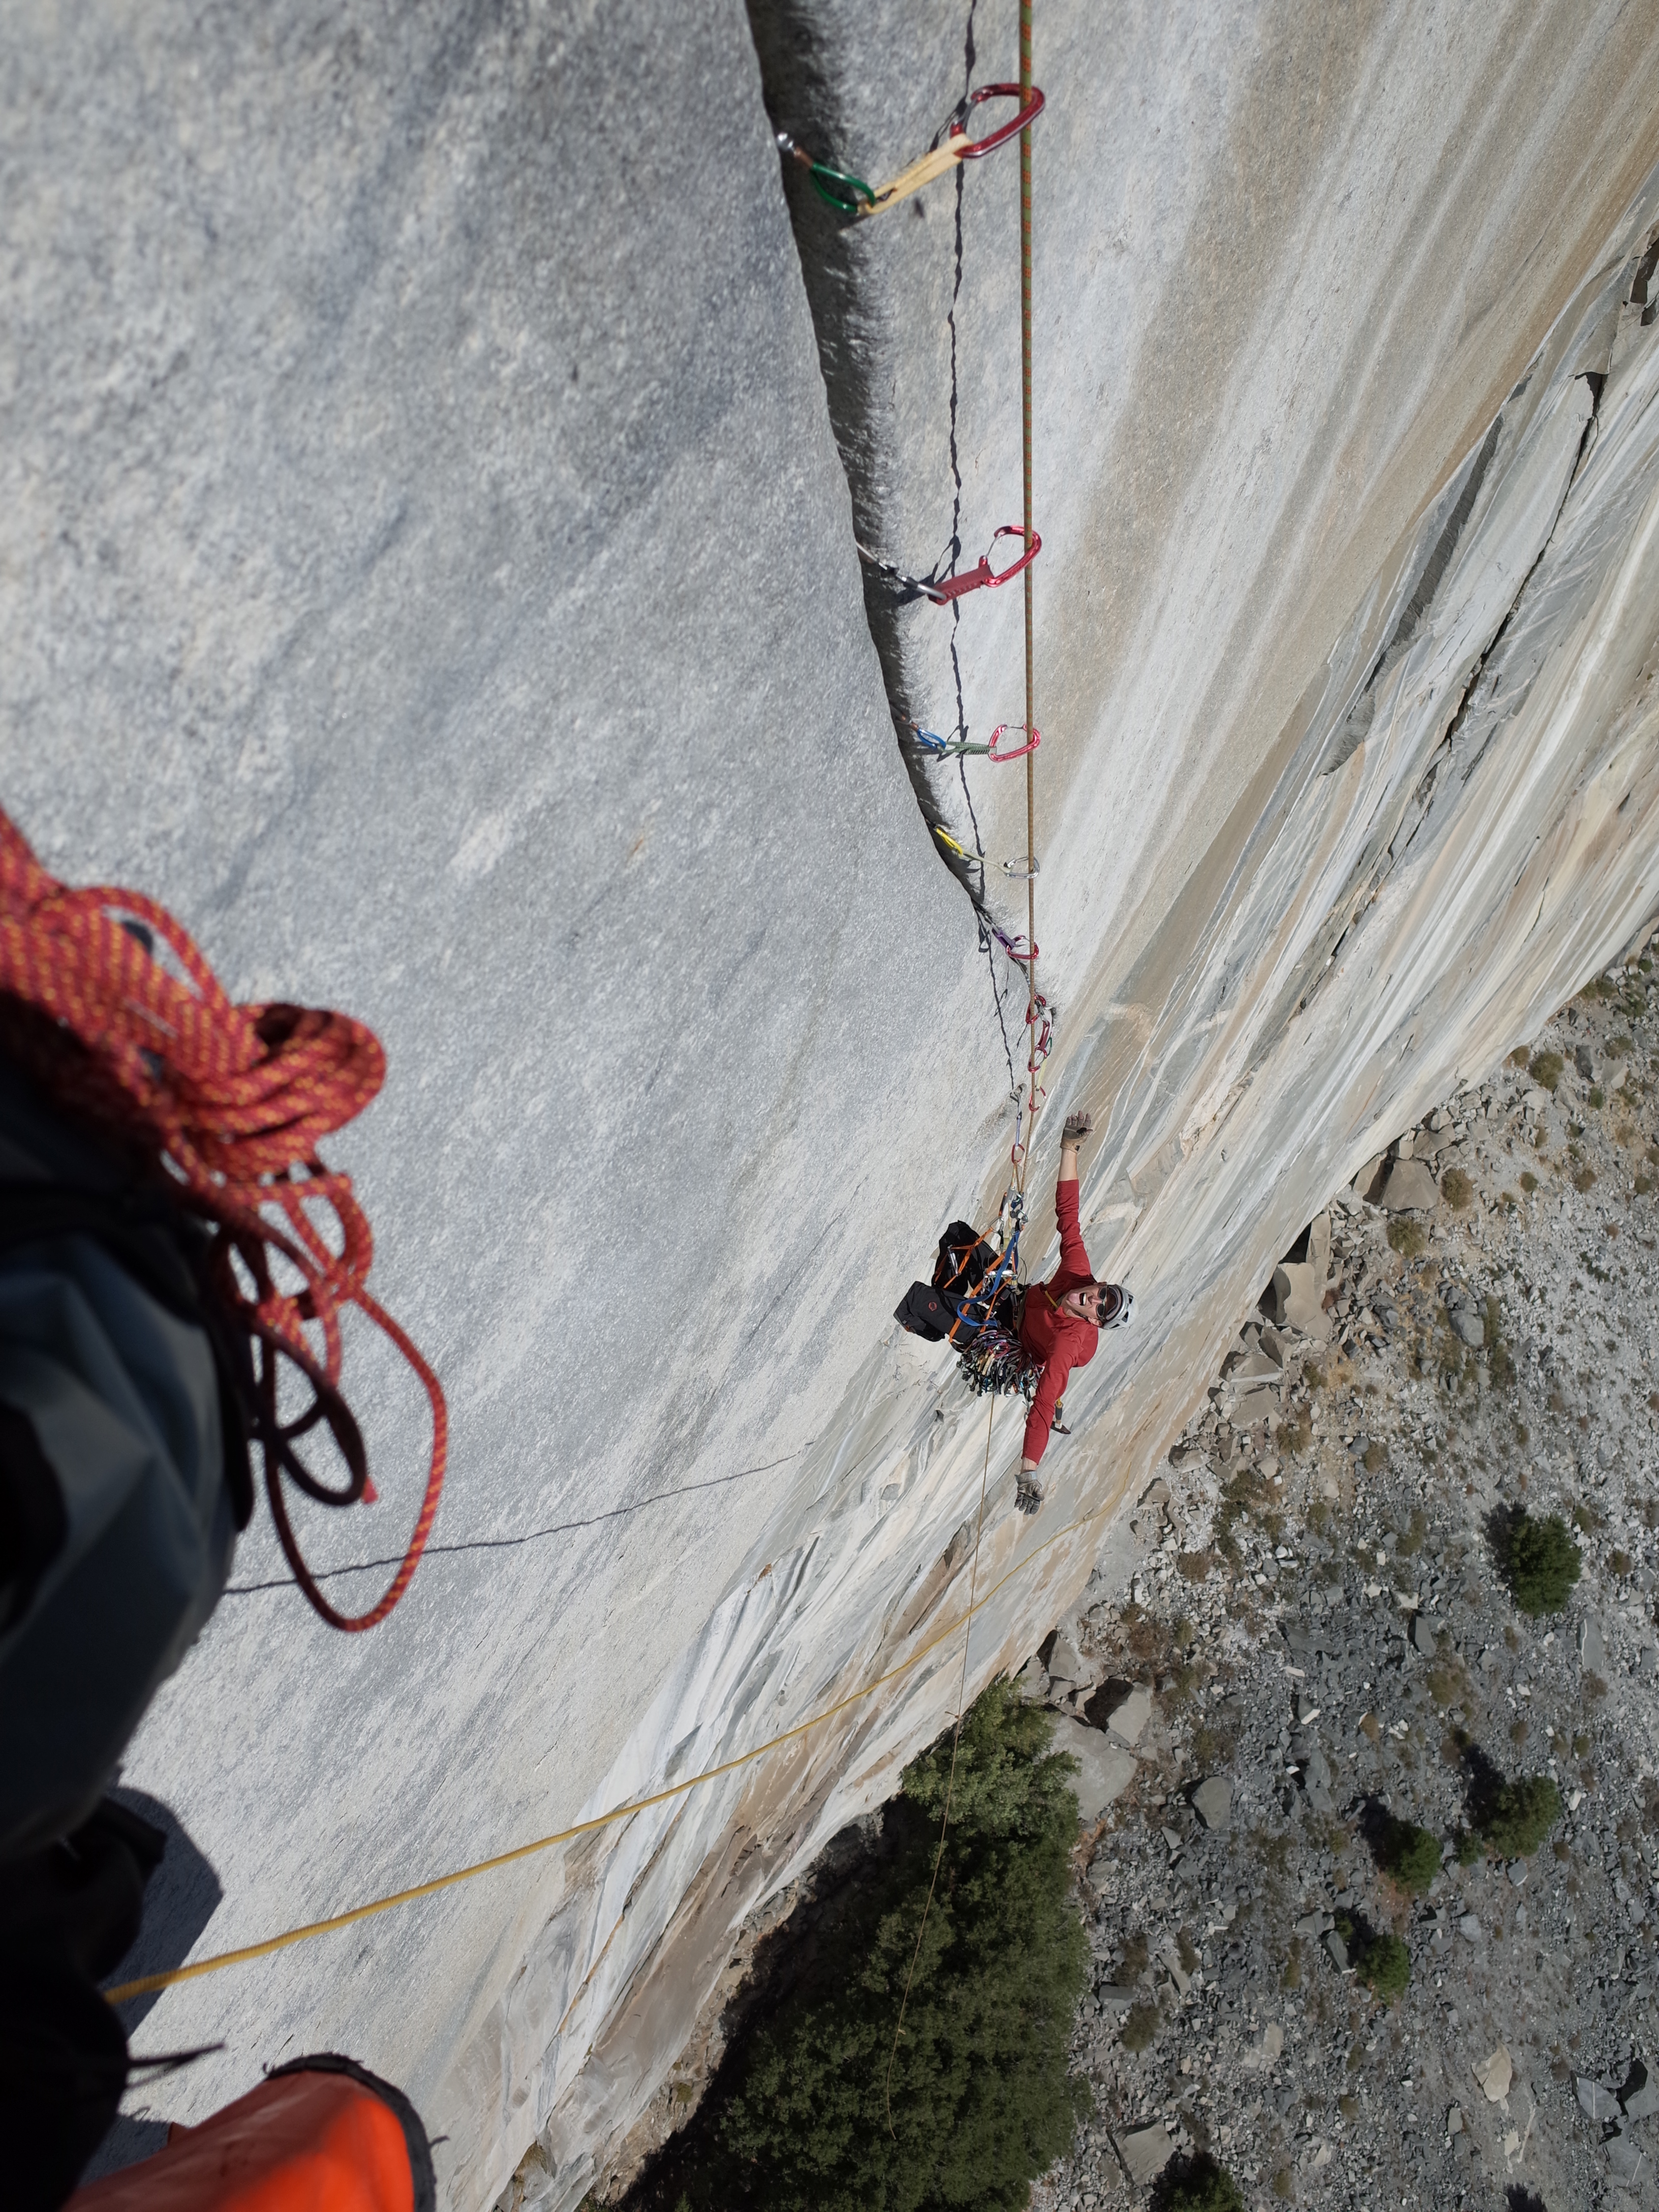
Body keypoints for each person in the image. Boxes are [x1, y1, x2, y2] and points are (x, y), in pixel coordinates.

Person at [1011, 1110, 1132, 1515]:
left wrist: (1029, 1471)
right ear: (1100, 1284)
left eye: (1100, 1309)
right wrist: (1069, 1148)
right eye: (1102, 1294)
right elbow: (1069, 1218)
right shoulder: (1078, 1270)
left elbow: (1043, 1403)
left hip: (1024, 1341)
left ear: (1095, 1321)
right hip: (1021, 1305)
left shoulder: (1068, 1343)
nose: (1093, 1299)